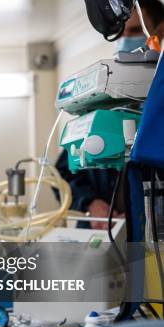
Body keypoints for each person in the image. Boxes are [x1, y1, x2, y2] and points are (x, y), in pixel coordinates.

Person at [56, 0, 164, 229]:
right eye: (120, 32)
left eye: (135, 31)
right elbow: (63, 172)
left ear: (160, 30)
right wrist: (90, 203)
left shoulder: (158, 102)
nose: (125, 39)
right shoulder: (105, 98)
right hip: (104, 230)